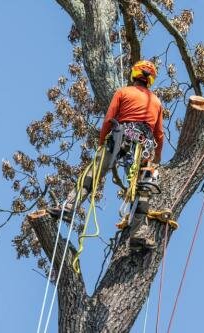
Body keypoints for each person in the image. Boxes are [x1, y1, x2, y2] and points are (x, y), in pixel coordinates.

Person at [49, 60, 164, 248]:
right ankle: (139, 234)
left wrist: (102, 142)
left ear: (135, 74)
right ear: (150, 79)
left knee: (93, 174)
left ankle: (69, 206)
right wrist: (157, 158)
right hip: (142, 147)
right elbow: (159, 134)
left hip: (119, 137)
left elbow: (109, 119)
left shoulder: (123, 92)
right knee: (141, 190)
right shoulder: (157, 102)